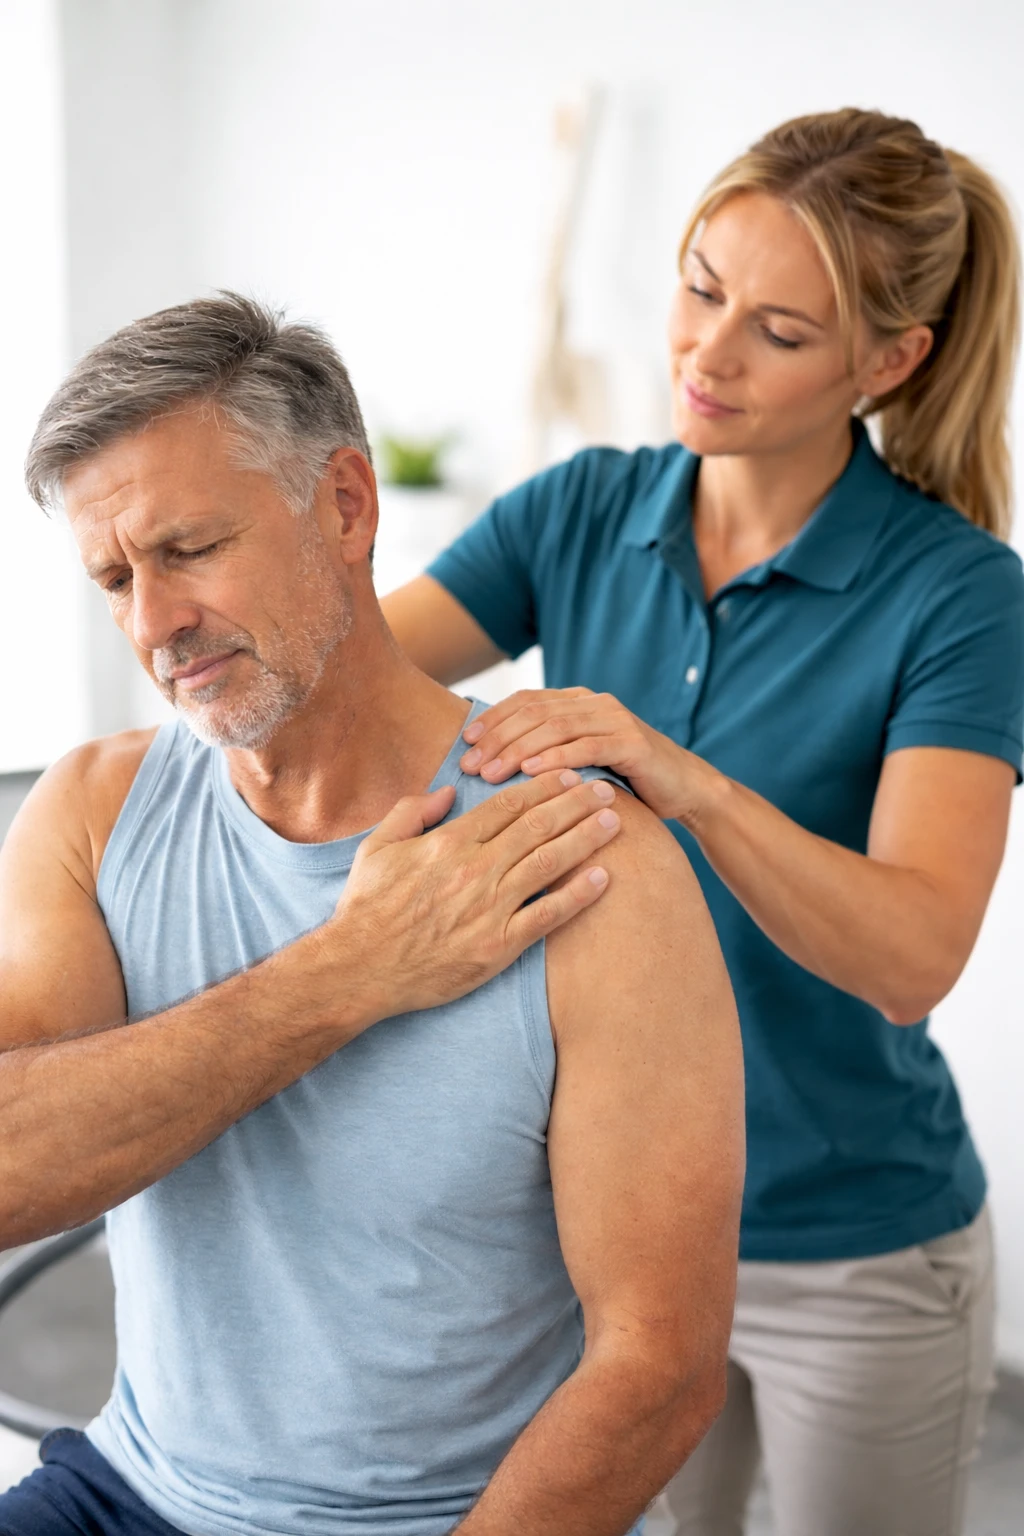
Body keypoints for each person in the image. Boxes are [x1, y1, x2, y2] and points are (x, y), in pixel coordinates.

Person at [0, 295, 744, 1536]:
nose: (151, 623)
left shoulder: (581, 861)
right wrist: (350, 970)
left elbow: (659, 1368)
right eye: (115, 577)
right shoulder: (89, 813)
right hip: (135, 1490)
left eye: (186, 549)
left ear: (345, 505)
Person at [382, 108, 1024, 1536]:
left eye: (779, 332)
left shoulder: (960, 594)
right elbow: (356, 686)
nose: (706, 352)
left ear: (890, 360)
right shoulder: (581, 512)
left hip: (855, 1248)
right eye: (699, 285)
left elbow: (914, 952)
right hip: (618, 1228)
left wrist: (682, 776)